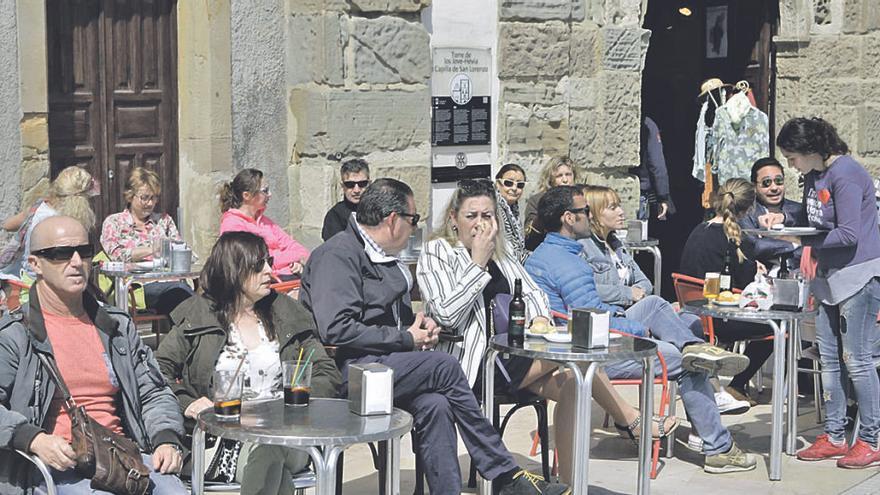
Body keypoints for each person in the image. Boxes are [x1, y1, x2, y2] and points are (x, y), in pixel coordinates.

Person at [301, 178, 570, 495]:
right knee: (443, 365)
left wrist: (417, 326)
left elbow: (387, 319)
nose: (415, 228)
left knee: (437, 404)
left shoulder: (384, 256)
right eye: (413, 219)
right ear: (392, 220)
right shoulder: (338, 255)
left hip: (384, 366)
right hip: (348, 373)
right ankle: (504, 476)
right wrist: (407, 339)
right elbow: (338, 329)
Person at [417, 179, 678, 484]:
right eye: (471, 215)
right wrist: (478, 263)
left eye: (487, 216)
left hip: (515, 356)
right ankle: (630, 420)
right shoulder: (438, 252)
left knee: (574, 382)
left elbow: (535, 296)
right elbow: (447, 314)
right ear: (453, 219)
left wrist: (538, 319)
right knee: (580, 354)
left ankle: (568, 484)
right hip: (470, 366)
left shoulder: (501, 254)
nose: (480, 223)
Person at [525, 186, 757, 474]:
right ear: (569, 219)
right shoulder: (569, 263)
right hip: (594, 352)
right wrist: (640, 331)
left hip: (590, 334)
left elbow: (616, 300)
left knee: (656, 305)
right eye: (585, 211)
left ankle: (694, 347)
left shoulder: (550, 252)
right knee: (686, 363)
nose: (590, 215)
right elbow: (592, 323)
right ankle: (718, 449)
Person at [0, 216, 186, 494]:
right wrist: (33, 439)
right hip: (56, 469)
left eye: (84, 252)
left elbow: (153, 392)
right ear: (34, 264)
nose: (76, 261)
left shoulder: (117, 327)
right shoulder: (16, 335)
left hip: (123, 459)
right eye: (60, 254)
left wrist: (166, 439)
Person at [156, 231, 340, 492]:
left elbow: (326, 371)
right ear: (234, 270)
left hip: (287, 433)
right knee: (274, 469)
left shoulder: (287, 312)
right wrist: (188, 402)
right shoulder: (198, 314)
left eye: (269, 262)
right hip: (222, 439)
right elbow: (156, 371)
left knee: (269, 449)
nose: (269, 271)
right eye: (258, 265)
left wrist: (294, 404)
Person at [578, 185, 750, 415]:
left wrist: (635, 292)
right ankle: (708, 374)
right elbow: (587, 289)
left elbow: (644, 282)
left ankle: (707, 397)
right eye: (613, 207)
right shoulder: (584, 248)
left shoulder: (617, 245)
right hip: (612, 320)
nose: (621, 211)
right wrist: (628, 293)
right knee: (656, 306)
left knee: (690, 319)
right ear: (595, 214)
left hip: (632, 314)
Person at [777, 117, 880, 468]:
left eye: (793, 157)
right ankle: (834, 434)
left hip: (857, 275)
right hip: (828, 278)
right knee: (830, 360)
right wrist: (786, 229)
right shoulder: (813, 177)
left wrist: (802, 240)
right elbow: (817, 221)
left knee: (858, 361)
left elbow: (849, 233)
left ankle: (871, 438)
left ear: (810, 150)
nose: (791, 165)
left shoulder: (846, 174)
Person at [680, 179, 775, 407]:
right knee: (776, 327)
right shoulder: (733, 239)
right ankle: (738, 384)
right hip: (719, 319)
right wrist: (756, 269)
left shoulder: (697, 229)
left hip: (696, 316)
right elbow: (743, 286)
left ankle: (733, 383)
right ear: (750, 208)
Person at [100, 167, 193, 315]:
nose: (150, 203)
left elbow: (179, 249)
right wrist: (152, 249)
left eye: (154, 198)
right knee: (181, 295)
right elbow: (117, 255)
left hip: (169, 281)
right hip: (136, 286)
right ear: (130, 196)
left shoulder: (164, 221)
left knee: (189, 298)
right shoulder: (114, 222)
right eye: (144, 198)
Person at [1, 166, 98, 282]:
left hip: (24, 276)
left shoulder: (41, 206)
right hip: (34, 284)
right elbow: (38, 267)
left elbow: (7, 225)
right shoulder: (54, 221)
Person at [220, 168, 309, 281]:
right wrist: (290, 259)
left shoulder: (265, 221)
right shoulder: (232, 225)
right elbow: (257, 261)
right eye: (265, 190)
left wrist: (296, 261)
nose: (270, 195)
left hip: (287, 277)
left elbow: (299, 249)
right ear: (247, 196)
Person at [739, 157, 803, 267]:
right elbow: (755, 247)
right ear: (754, 186)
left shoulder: (798, 210)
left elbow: (816, 245)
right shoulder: (746, 213)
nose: (774, 188)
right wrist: (796, 242)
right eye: (766, 183)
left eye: (778, 181)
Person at [522, 156, 579, 251]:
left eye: (568, 174)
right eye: (559, 176)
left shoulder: (580, 199)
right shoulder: (537, 200)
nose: (565, 180)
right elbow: (530, 237)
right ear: (550, 179)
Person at [632, 116, 676, 221]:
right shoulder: (649, 125)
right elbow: (656, 162)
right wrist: (663, 197)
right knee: (639, 234)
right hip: (641, 192)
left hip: (621, 188)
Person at [322, 158, 371, 241]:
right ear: (343, 186)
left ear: (369, 184)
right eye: (350, 185)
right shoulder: (335, 215)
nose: (356, 190)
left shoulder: (379, 209)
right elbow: (335, 248)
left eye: (362, 184)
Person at [494, 164, 528, 262]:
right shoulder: (493, 208)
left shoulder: (514, 209)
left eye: (520, 185)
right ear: (498, 183)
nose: (514, 188)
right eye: (508, 183)